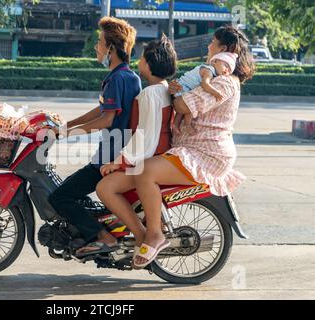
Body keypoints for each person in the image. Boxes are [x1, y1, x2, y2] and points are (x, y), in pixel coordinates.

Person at [102, 25, 255, 269]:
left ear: (224, 50)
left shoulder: (226, 83)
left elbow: (183, 106)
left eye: (213, 43)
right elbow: (180, 95)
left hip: (206, 154)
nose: (208, 47)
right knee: (106, 186)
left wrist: (178, 93)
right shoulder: (210, 76)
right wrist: (177, 91)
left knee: (145, 171)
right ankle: (138, 233)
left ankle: (154, 234)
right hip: (185, 149)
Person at [75, 35, 178, 257]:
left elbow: (145, 136)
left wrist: (118, 162)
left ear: (150, 64)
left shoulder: (150, 94)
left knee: (104, 188)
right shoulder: (163, 89)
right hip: (156, 156)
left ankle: (141, 235)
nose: (138, 61)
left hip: (146, 159)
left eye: (142, 58)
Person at [48, 17, 141, 256]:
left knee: (59, 197)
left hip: (109, 158)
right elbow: (101, 110)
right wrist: (68, 125)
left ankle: (102, 237)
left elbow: (106, 120)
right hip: (116, 152)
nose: (96, 47)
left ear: (111, 48)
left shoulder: (117, 79)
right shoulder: (126, 76)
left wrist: (66, 134)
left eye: (100, 42)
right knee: (72, 192)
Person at [173, 51, 239, 135]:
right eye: (226, 66)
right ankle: (187, 125)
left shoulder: (212, 72)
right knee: (190, 107)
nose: (227, 70)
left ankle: (175, 125)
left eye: (229, 70)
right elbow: (205, 84)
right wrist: (216, 93)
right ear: (215, 61)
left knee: (182, 110)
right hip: (183, 87)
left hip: (183, 87)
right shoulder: (209, 71)